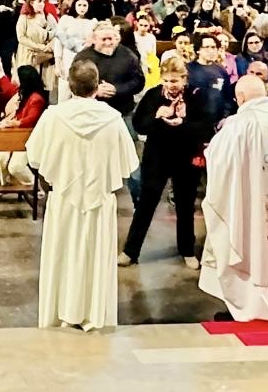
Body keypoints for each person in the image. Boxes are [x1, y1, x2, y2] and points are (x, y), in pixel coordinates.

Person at [26, 60, 138, 330]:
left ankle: (60, 313)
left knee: (63, 256)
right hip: (98, 201)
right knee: (94, 257)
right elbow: (128, 164)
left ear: (69, 85)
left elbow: (35, 156)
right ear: (97, 87)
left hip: (65, 198)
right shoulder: (112, 119)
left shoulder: (54, 116)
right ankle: (93, 314)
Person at [198, 75, 268, 323]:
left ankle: (250, 306)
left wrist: (209, 151)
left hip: (252, 205)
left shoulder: (239, 124)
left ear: (241, 97)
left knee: (251, 242)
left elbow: (219, 159)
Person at [121, 55, 207, 270]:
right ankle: (130, 251)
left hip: (185, 158)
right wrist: (157, 116)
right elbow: (139, 125)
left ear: (184, 79)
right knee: (146, 204)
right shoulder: (152, 96)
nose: (170, 85)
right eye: (167, 80)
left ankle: (187, 250)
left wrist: (183, 123)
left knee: (185, 205)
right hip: (157, 157)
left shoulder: (195, 97)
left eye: (175, 81)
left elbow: (205, 127)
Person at [72, 21, 145, 127]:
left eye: (110, 39)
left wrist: (117, 89)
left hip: (122, 112)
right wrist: (94, 90)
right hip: (91, 113)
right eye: (103, 39)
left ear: (116, 38)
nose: (107, 43)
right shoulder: (82, 58)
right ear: (94, 39)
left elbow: (139, 81)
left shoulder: (128, 55)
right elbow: (74, 84)